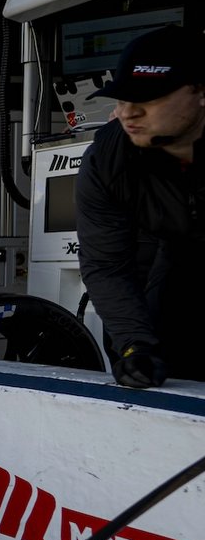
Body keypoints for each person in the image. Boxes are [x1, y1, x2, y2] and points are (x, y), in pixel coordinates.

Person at [75, 23, 205, 388]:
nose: (127, 113)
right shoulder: (108, 159)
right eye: (121, 98)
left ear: (200, 92)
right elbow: (106, 264)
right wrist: (135, 345)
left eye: (147, 98)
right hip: (176, 254)